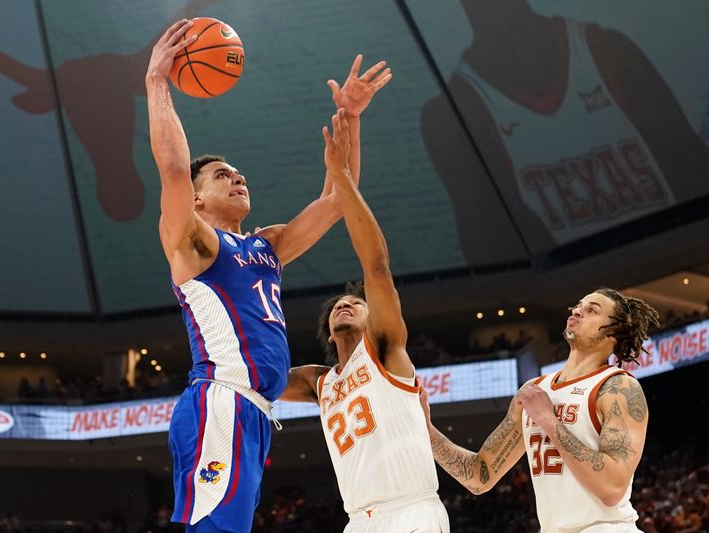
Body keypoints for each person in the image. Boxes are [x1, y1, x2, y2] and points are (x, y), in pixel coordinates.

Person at [146, 19, 391, 532]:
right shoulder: (193, 243)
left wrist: (350, 117)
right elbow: (172, 171)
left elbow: (335, 200)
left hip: (253, 412)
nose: (238, 178)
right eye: (221, 176)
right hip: (221, 401)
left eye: (239, 174)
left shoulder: (265, 246)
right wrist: (157, 84)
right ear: (196, 199)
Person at [421, 0, 709, 263]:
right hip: (578, 294)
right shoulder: (452, 116)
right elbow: (495, 260)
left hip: (674, 262)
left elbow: (693, 170)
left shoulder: (605, 50)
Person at [280, 109, 448, 532]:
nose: (344, 304)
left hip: (412, 510)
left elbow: (376, 267)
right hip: (358, 521)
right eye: (336, 304)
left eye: (355, 302)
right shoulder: (320, 383)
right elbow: (258, 376)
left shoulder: (386, 350)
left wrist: (343, 180)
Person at [420, 288, 660, 532]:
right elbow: (480, 476)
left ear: (614, 332)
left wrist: (549, 421)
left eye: (592, 310)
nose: (577, 310)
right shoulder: (533, 390)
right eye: (579, 305)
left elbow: (611, 489)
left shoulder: (618, 387)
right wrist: (427, 433)